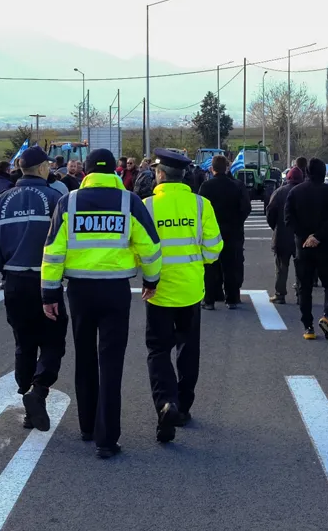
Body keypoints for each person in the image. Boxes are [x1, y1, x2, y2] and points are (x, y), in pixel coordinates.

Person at [42, 149, 162, 458]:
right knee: (111, 363)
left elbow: (53, 251)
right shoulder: (129, 202)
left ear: (86, 172)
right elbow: (150, 247)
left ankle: (86, 425)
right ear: (116, 171)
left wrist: (50, 293)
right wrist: (151, 280)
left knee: (84, 357)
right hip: (115, 292)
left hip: (79, 291)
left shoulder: (67, 202)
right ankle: (107, 439)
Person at [0, 148, 68, 432]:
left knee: (24, 343)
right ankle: (39, 390)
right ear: (42, 168)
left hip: (14, 283)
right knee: (53, 341)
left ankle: (27, 404)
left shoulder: (3, 201)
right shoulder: (57, 199)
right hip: (47, 282)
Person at [141, 150, 219, 442]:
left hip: (158, 290)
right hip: (190, 289)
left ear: (159, 174)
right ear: (184, 174)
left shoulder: (146, 206)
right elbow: (213, 250)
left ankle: (165, 402)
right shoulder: (201, 206)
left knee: (158, 350)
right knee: (188, 348)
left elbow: (140, 249)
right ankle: (183, 407)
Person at [284, 159, 328, 340]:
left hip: (302, 246)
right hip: (325, 245)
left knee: (304, 287)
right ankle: (327, 315)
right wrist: (317, 236)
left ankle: (308, 326)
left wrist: (304, 236)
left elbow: (288, 218)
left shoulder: (295, 192)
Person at [197, 154, 248, 309]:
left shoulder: (206, 187)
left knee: (210, 267)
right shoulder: (236, 186)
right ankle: (232, 299)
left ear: (212, 169)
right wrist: (237, 222)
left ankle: (210, 300)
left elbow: (200, 210)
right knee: (231, 266)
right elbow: (246, 208)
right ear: (227, 168)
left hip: (211, 232)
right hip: (233, 232)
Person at [264, 167, 304, 305]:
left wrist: (276, 227)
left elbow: (270, 213)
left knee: (281, 267)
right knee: (301, 267)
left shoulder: (279, 192)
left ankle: (280, 294)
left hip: (282, 234)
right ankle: (301, 294)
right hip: (301, 235)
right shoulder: (305, 191)